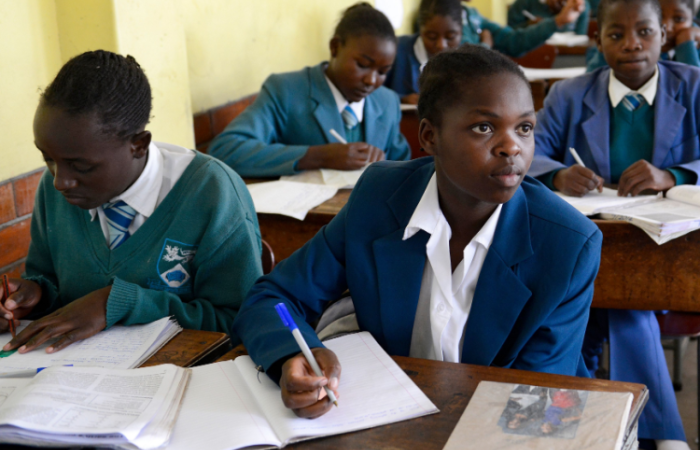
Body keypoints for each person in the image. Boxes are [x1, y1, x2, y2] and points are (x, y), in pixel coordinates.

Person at [232, 45, 602, 420]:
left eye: (524, 128)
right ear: (429, 137)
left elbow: (536, 403)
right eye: (484, 127)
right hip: (385, 413)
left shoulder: (568, 245)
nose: (512, 147)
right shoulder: (379, 197)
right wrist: (292, 356)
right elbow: (276, 297)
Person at [0, 50, 262, 354]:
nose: (60, 180)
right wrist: (31, 297)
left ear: (138, 146)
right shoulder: (58, 188)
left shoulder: (211, 193)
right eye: (48, 159)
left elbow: (239, 320)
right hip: (75, 378)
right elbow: (48, 281)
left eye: (82, 167)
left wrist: (117, 302)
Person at [528, 0, 697, 445]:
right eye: (616, 35)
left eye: (644, 32)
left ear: (665, 33)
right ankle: (663, 435)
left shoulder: (695, 87)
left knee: (612, 299)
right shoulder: (568, 95)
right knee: (620, 298)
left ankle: (587, 430)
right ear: (597, 38)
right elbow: (527, 149)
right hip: (590, 244)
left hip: (671, 254)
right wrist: (557, 172)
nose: (632, 45)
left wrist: (673, 176)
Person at [208, 3, 410, 178]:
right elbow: (226, 150)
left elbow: (404, 167)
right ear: (335, 48)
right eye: (362, 64)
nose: (371, 80)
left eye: (383, 72)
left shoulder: (387, 101)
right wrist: (317, 156)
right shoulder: (286, 91)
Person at [384, 0, 463, 104]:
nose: (441, 45)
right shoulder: (397, 49)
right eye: (432, 37)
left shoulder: (468, 58)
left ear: (461, 31)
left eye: (450, 37)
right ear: (420, 30)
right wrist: (400, 98)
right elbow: (374, 91)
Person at [586, 0, 700, 70]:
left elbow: (695, 91)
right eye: (660, 17)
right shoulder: (619, 42)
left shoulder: (696, 44)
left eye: (679, 19)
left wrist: (686, 45)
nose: (668, 27)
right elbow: (591, 84)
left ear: (692, 20)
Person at [460, 0, 586, 56]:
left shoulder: (471, 14)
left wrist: (558, 21)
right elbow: (465, 63)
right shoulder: (444, 18)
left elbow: (513, 41)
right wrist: (485, 45)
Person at [508, 0, 591, 35]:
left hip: (567, 56)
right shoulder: (525, 2)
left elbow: (581, 38)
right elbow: (509, 36)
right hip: (532, 54)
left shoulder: (579, 5)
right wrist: (529, 25)